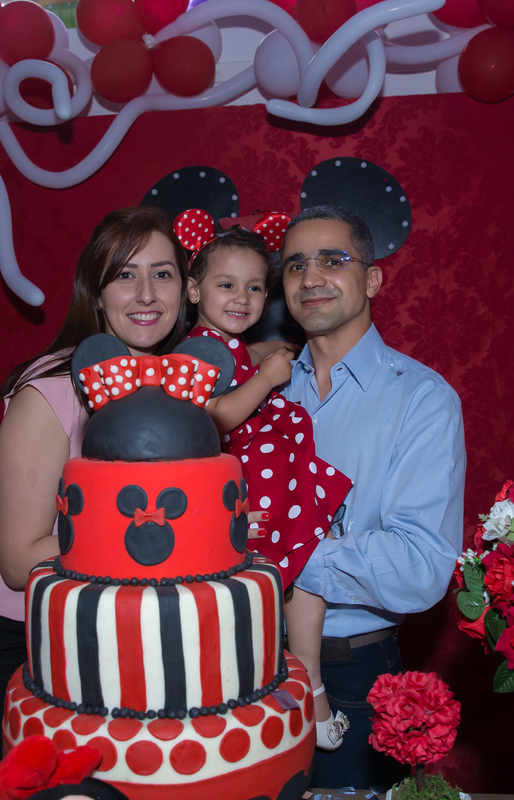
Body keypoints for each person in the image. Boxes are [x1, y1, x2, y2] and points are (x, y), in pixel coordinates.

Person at [0, 206, 188, 764]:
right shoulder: (52, 389)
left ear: (185, 289)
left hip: (91, 631)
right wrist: (166, 533)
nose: (146, 294)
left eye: (162, 273)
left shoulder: (178, 390)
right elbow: (18, 560)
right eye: (124, 275)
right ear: (96, 294)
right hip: (8, 635)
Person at [278, 205, 465, 789]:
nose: (311, 277)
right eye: (295, 265)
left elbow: (421, 567)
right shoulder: (262, 391)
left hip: (349, 674)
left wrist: (280, 554)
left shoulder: (422, 399)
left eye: (333, 260)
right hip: (243, 662)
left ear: (373, 278)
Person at [178, 222, 353, 750]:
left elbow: (231, 371)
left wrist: (258, 356)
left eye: (254, 287)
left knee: (305, 556)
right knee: (302, 551)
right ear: (194, 291)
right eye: (226, 285)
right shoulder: (198, 350)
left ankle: (299, 681)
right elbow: (217, 416)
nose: (242, 297)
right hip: (245, 476)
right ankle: (305, 685)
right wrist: (268, 378)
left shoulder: (220, 345)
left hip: (257, 470)